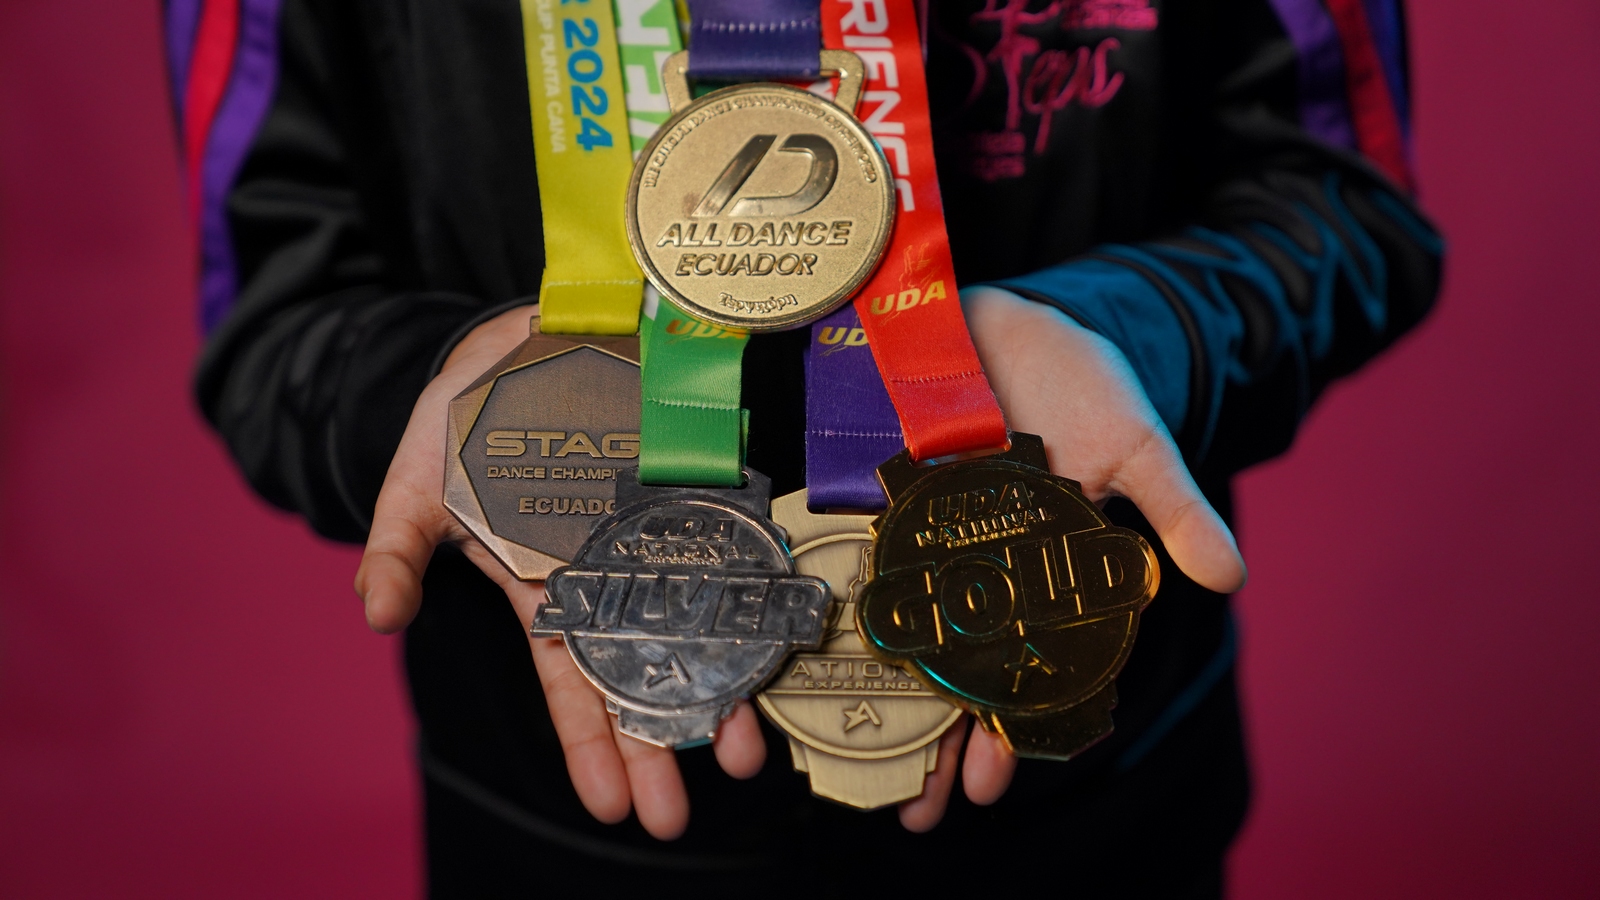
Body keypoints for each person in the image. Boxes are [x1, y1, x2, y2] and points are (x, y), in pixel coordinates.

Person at [172, 0, 1441, 894]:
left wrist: (1125, 336)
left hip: (1082, 789)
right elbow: (274, 316)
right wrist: (440, 400)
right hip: (563, 814)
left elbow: (1346, 207)